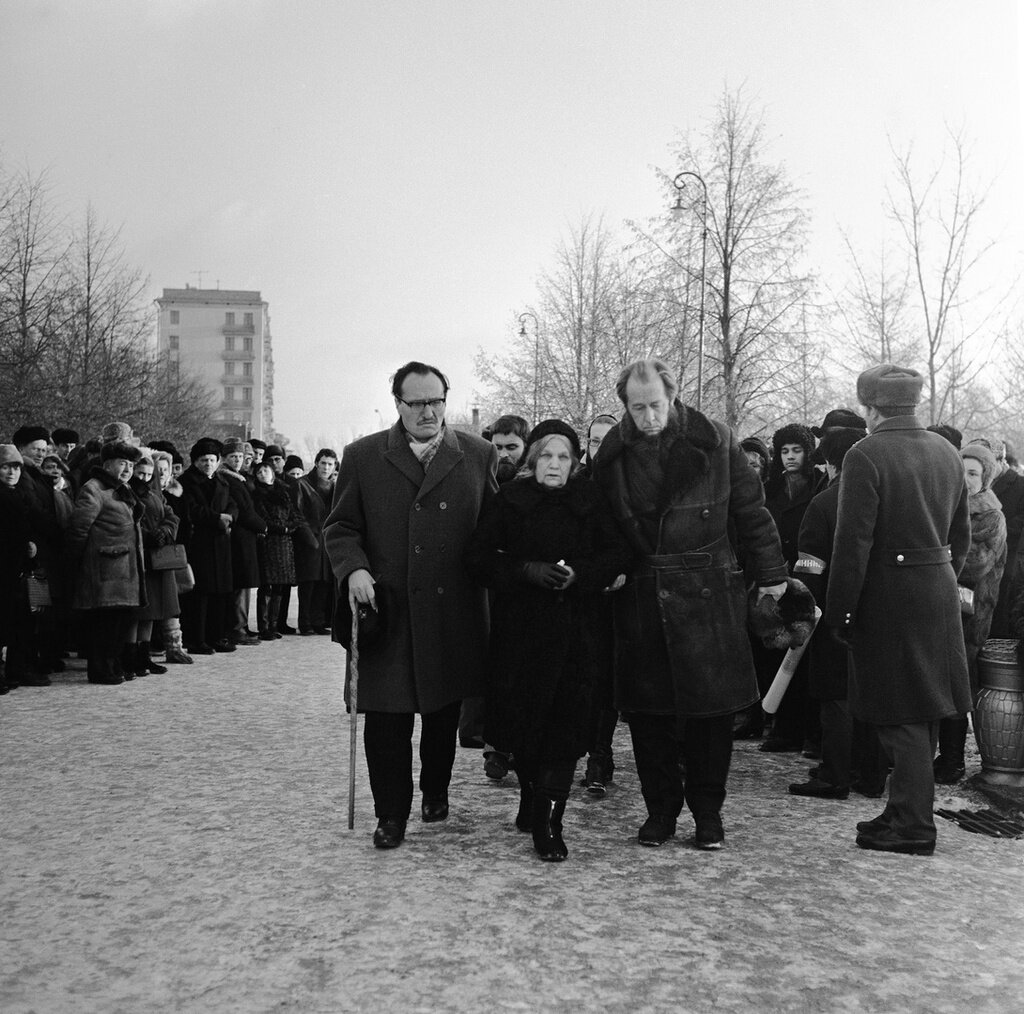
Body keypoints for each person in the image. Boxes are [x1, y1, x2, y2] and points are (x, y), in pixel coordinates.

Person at [591, 358, 788, 850]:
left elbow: (751, 512)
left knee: (710, 716)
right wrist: (606, 569)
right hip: (642, 593)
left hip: (708, 592)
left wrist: (772, 577)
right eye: (638, 408)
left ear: (673, 396)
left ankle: (708, 816)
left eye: (656, 405)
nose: (649, 417)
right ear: (625, 406)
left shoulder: (715, 440)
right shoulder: (613, 454)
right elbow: (601, 524)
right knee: (648, 715)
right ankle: (660, 812)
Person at [324, 361, 498, 850]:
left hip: (453, 611)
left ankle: (435, 790)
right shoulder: (364, 456)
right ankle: (391, 814)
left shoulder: (478, 455)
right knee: (386, 720)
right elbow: (340, 527)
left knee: (443, 711)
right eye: (416, 402)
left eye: (436, 401)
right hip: (388, 611)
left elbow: (495, 529)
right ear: (397, 403)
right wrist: (353, 568)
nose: (428, 411)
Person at [466, 420, 631, 860]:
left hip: (577, 633)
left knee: (565, 727)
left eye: (564, 457)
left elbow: (618, 553)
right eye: (546, 456)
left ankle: (550, 822)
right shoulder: (510, 503)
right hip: (520, 634)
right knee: (525, 727)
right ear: (532, 459)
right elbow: (477, 558)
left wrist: (583, 574)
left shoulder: (591, 501)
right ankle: (530, 795)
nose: (554, 464)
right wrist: (524, 570)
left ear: (575, 463)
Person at [826, 365, 971, 856]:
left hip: (890, 599)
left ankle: (912, 825)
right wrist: (938, 577)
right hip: (938, 591)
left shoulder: (865, 454)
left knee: (901, 714)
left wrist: (841, 612)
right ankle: (905, 808)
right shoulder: (947, 451)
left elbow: (852, 546)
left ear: (870, 408)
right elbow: (962, 537)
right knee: (924, 708)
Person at [790, 426, 878, 800]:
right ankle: (871, 774)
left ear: (826, 462)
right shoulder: (882, 497)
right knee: (872, 693)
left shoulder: (824, 504)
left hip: (832, 610)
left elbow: (810, 568)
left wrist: (805, 611)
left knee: (835, 694)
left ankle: (835, 773)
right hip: (877, 611)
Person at [932, 442, 1006, 784]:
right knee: (936, 683)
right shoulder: (944, 505)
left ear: (986, 478)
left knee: (957, 687)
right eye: (961, 470)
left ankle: (953, 761)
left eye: (973, 473)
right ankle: (936, 757)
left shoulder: (991, 515)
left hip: (969, 614)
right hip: (939, 607)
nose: (965, 478)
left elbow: (974, 565)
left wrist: (935, 555)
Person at [473, 414, 531, 772]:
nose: (505, 454)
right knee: (492, 667)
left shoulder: (536, 482)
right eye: (498, 447)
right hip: (488, 585)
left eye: (512, 447)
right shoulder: (479, 477)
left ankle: (518, 744)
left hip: (524, 588)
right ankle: (494, 745)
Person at [760, 423, 821, 755]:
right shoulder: (772, 488)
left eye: (796, 450)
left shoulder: (819, 485)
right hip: (775, 576)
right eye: (784, 451)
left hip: (806, 577)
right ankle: (782, 728)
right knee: (776, 653)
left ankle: (808, 731)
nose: (790, 457)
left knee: (805, 657)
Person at [66, 441, 146, 686]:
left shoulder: (123, 489)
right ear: (107, 464)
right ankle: (100, 669)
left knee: (120, 621)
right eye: (123, 463)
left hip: (125, 569)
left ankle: (113, 665)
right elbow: (78, 530)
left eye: (131, 465)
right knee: (105, 623)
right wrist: (81, 563)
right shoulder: (94, 489)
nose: (127, 469)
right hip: (105, 568)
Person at [578, 411, 622, 795]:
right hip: (580, 596)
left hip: (620, 598)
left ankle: (600, 756)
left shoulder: (632, 484)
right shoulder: (576, 483)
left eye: (608, 440)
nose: (601, 448)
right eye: (594, 441)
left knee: (608, 680)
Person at [178, 438, 237, 654]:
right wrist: (217, 518)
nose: (208, 464)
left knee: (220, 593)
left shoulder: (222, 481)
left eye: (212, 460)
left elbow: (233, 503)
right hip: (199, 543)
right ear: (194, 461)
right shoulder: (186, 482)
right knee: (199, 594)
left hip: (220, 543)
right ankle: (196, 639)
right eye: (204, 460)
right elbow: (191, 510)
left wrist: (230, 516)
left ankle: (217, 636)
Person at [124, 452, 178, 678]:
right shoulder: (126, 493)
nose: (144, 478)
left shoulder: (155, 494)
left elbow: (171, 516)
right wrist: (148, 535)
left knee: (153, 610)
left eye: (148, 474)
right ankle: (131, 657)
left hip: (156, 555)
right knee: (137, 612)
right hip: (139, 556)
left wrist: (165, 532)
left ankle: (143, 655)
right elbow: (127, 522)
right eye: (140, 473)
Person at [219, 438, 265, 646]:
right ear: (225, 458)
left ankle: (242, 625)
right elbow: (246, 512)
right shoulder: (230, 479)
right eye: (233, 457)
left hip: (244, 537)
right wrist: (263, 526)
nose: (238, 461)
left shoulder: (238, 478)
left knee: (245, 584)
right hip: (239, 537)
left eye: (240, 457)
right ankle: (237, 627)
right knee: (241, 583)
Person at [252, 460, 304, 640]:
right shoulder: (257, 495)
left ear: (273, 473)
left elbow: (296, 515)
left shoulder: (284, 492)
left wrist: (289, 528)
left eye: (265, 470)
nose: (262, 474)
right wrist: (282, 528)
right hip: (269, 542)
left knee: (280, 586)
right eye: (258, 472)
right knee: (266, 585)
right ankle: (264, 626)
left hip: (285, 544)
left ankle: (274, 625)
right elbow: (263, 518)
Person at [0, 445, 37, 694]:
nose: (11, 472)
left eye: (15, 467)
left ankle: (12, 669)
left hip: (14, 566)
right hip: (4, 566)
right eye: (5, 467)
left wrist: (29, 545)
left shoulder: (18, 494)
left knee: (11, 621)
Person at [295, 449, 338, 635]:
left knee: (324, 582)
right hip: (309, 540)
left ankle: (318, 621)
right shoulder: (302, 484)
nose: (326, 467)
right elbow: (297, 514)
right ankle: (305, 622)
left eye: (330, 464)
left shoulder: (336, 487)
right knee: (308, 583)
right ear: (316, 463)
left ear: (335, 466)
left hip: (327, 540)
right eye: (323, 463)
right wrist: (309, 538)